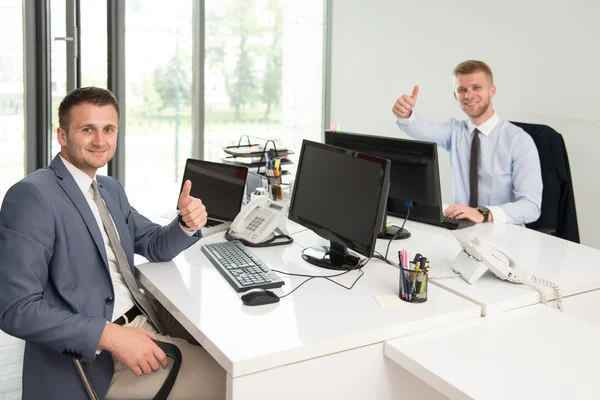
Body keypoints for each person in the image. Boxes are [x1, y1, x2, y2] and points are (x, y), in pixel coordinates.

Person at [0, 87, 226, 399]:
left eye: (109, 129)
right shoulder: (32, 196)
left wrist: (186, 223)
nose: (100, 140)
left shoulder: (109, 188)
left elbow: (153, 243)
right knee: (235, 386)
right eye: (87, 129)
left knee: (242, 364)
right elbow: (16, 309)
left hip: (142, 324)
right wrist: (112, 337)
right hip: (96, 358)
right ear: (62, 136)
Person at [392, 60, 543, 225]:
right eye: (462, 90)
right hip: (462, 228)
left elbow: (531, 206)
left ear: (491, 91)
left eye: (476, 88)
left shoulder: (519, 141)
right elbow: (422, 129)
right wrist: (405, 114)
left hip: (504, 232)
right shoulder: (455, 131)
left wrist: (484, 214)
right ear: (455, 96)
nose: (468, 95)